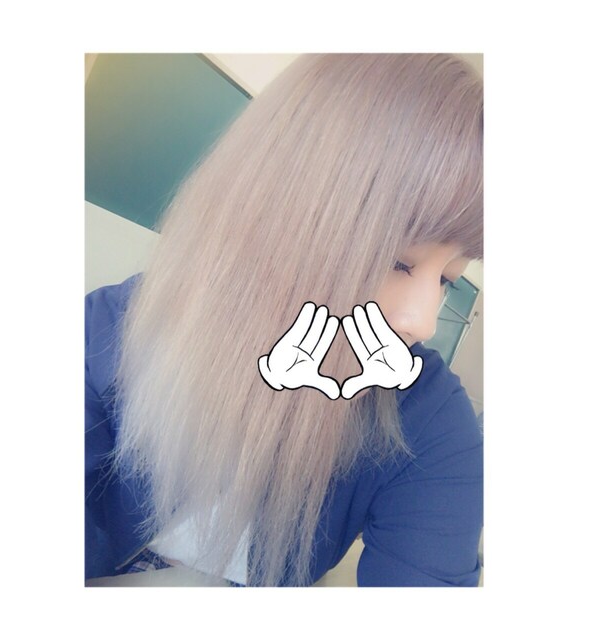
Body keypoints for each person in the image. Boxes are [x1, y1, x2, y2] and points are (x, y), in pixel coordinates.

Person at [85, 53, 483, 587]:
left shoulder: (429, 416)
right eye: (396, 262)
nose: (422, 322)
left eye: (448, 279)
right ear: (279, 220)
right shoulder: (114, 330)